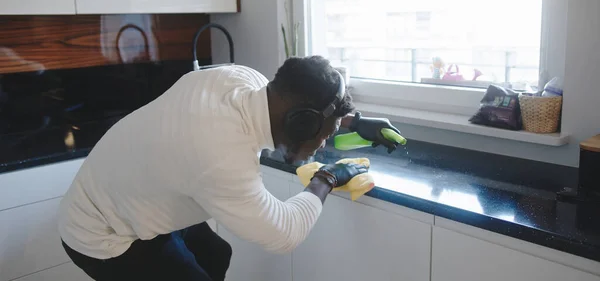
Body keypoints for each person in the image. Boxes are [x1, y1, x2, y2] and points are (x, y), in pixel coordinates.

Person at [58, 55, 402, 281]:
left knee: (216, 253)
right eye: (324, 136)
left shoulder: (243, 78)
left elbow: (300, 111)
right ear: (301, 125)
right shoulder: (220, 156)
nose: (324, 144)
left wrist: (352, 121)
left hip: (134, 194)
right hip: (104, 233)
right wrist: (328, 177)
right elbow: (286, 232)